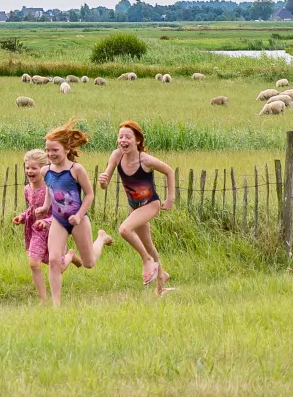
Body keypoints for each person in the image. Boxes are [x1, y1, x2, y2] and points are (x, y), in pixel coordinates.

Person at [36, 120, 112, 307]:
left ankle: (101, 238)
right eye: (48, 150)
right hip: (58, 220)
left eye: (55, 150)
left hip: (78, 220)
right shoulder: (45, 170)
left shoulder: (76, 170)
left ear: (67, 148)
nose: (50, 154)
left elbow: (89, 194)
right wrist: (46, 207)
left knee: (88, 263)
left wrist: (78, 215)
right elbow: (50, 189)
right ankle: (56, 306)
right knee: (54, 260)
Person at [98, 121, 175, 294]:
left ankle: (147, 261)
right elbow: (105, 182)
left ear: (137, 141)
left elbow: (169, 171)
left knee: (124, 229)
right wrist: (103, 182)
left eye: (128, 137)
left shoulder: (145, 160)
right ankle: (161, 281)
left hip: (150, 204)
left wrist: (170, 199)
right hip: (135, 206)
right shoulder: (116, 156)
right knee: (148, 244)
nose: (123, 140)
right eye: (120, 137)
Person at [12, 149, 81, 303]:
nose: (29, 171)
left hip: (54, 230)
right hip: (36, 231)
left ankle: (70, 256)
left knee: (59, 267)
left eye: (34, 168)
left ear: (43, 168)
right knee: (34, 263)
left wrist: (47, 222)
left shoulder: (51, 188)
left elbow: (60, 210)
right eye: (27, 167)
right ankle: (44, 300)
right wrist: (22, 217)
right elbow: (32, 209)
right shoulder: (27, 189)